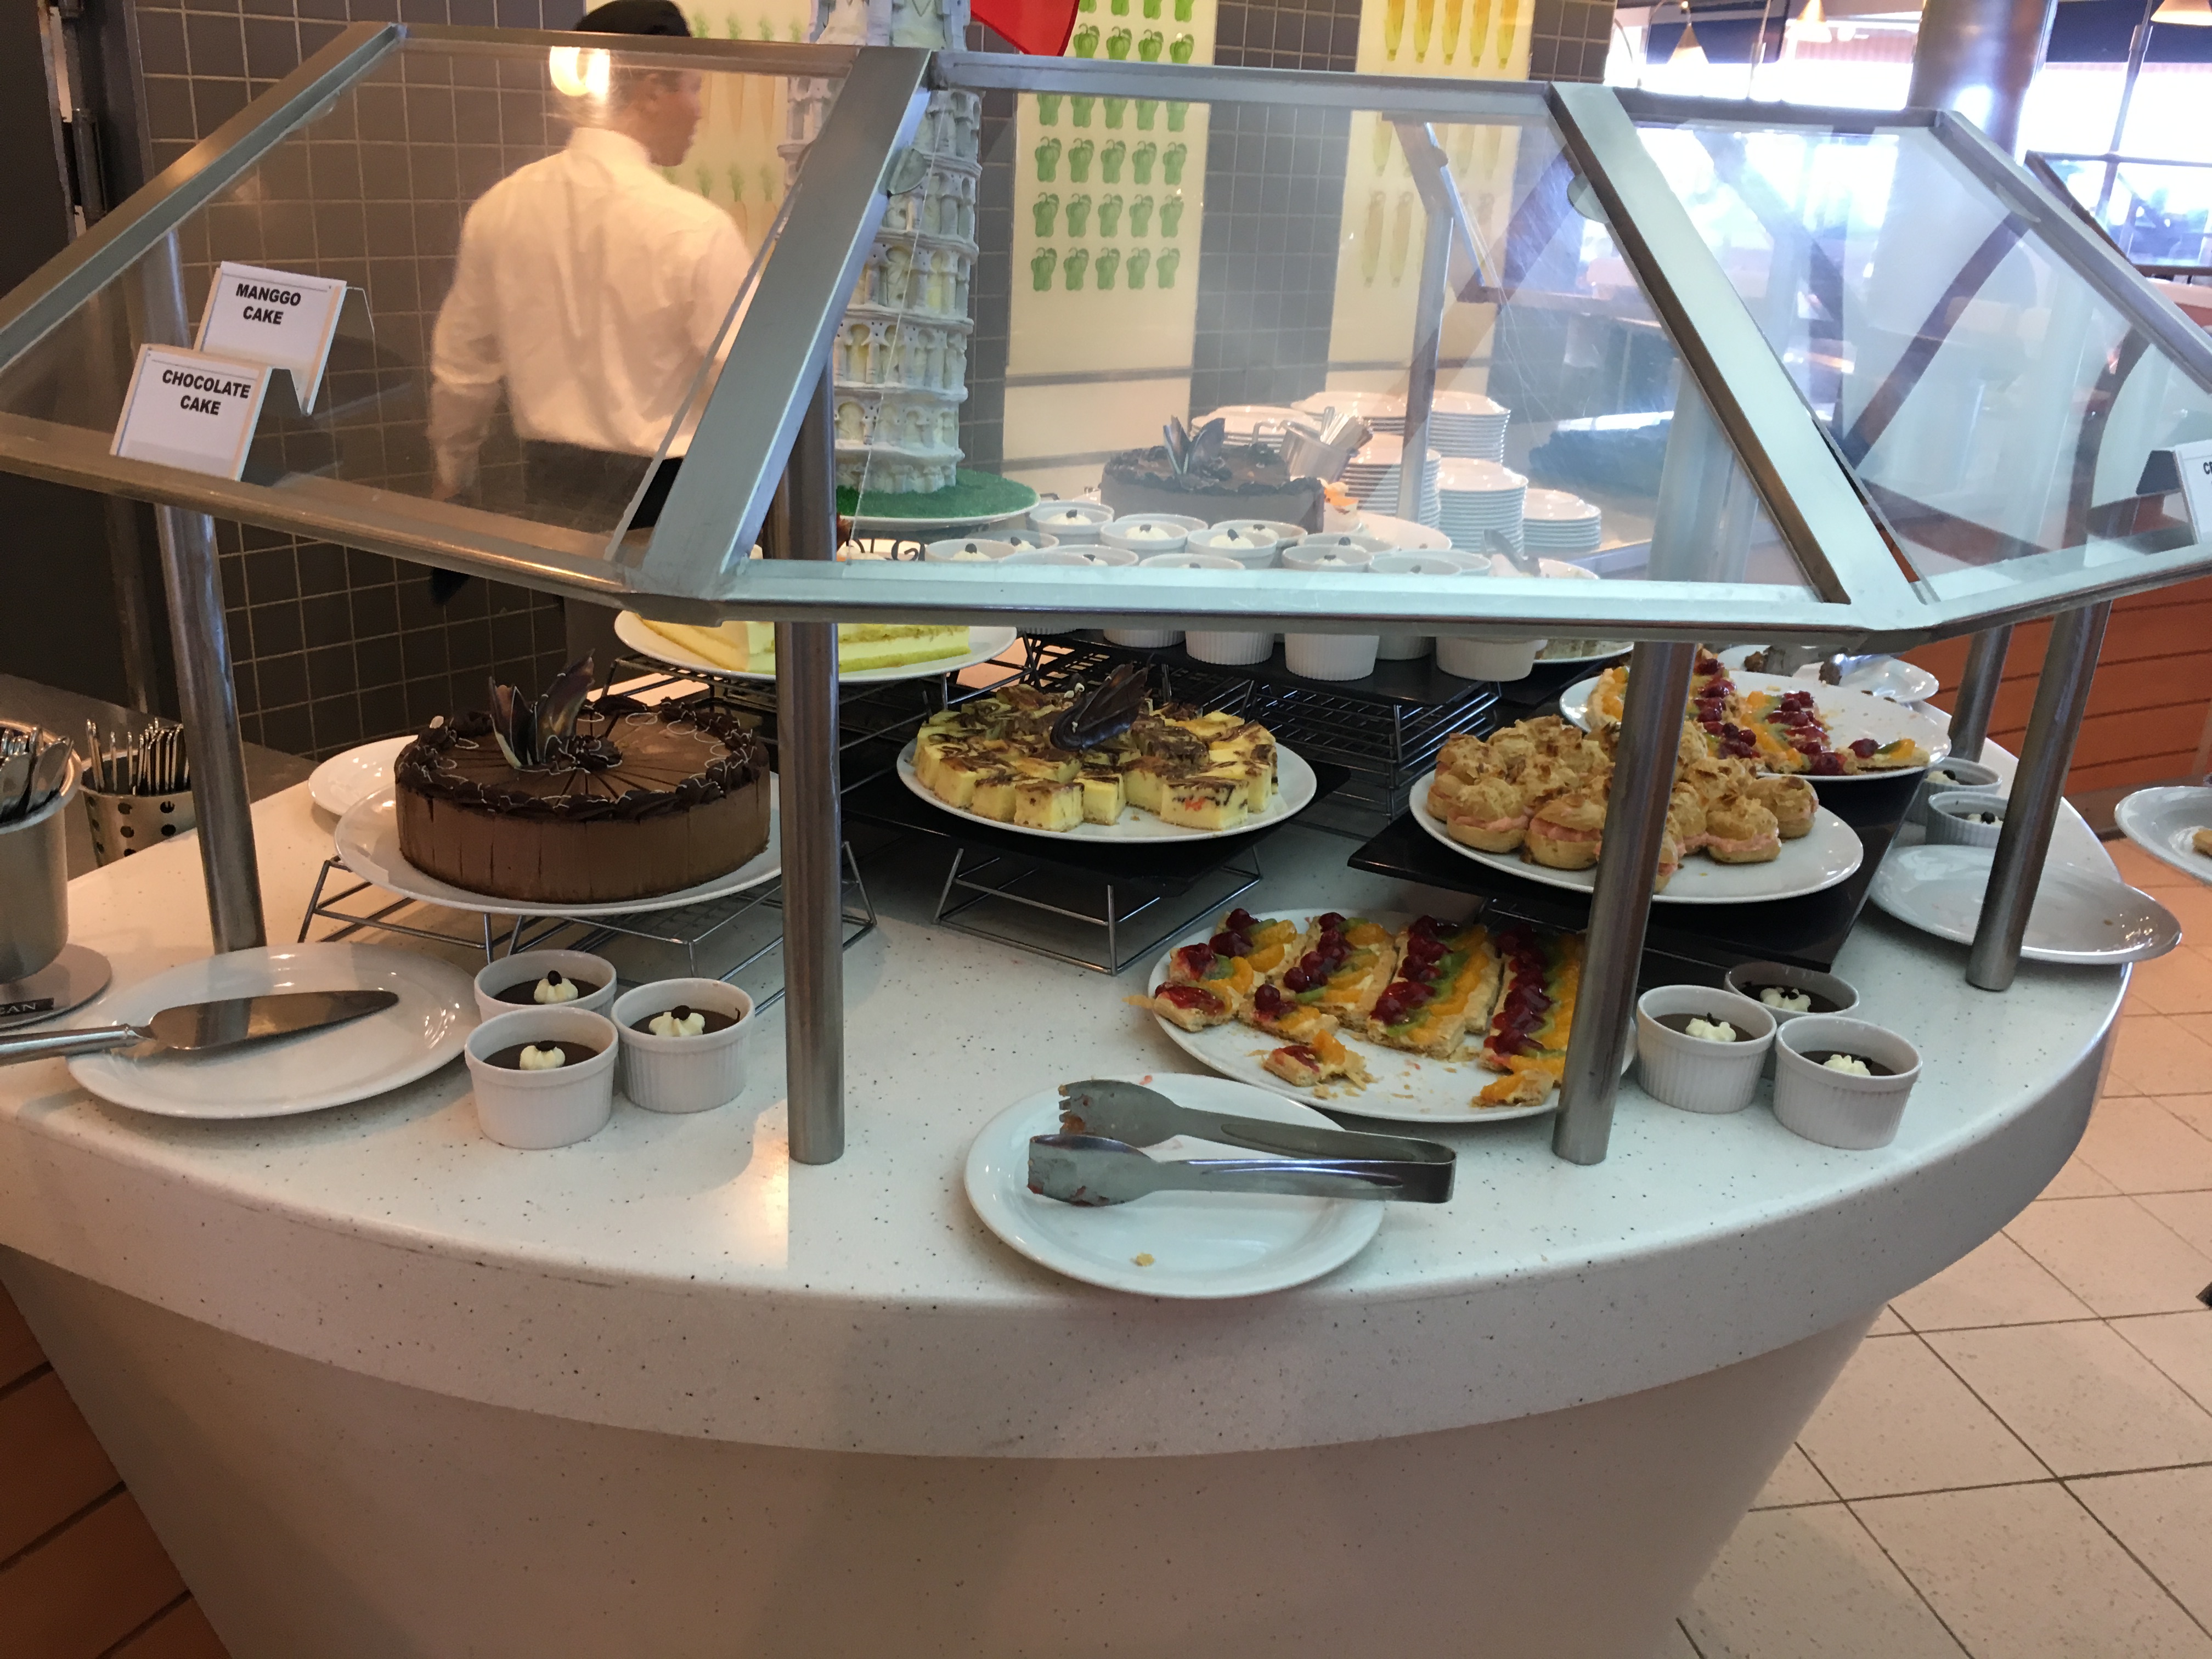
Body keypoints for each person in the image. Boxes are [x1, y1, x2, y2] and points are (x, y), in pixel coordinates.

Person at [427, 0, 748, 541]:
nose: (698, 111)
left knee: (571, 602)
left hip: (549, 493)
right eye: (694, 87)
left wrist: (452, 476)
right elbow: (749, 388)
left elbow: (464, 371)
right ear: (652, 90)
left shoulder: (500, 208)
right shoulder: (695, 228)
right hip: (671, 504)